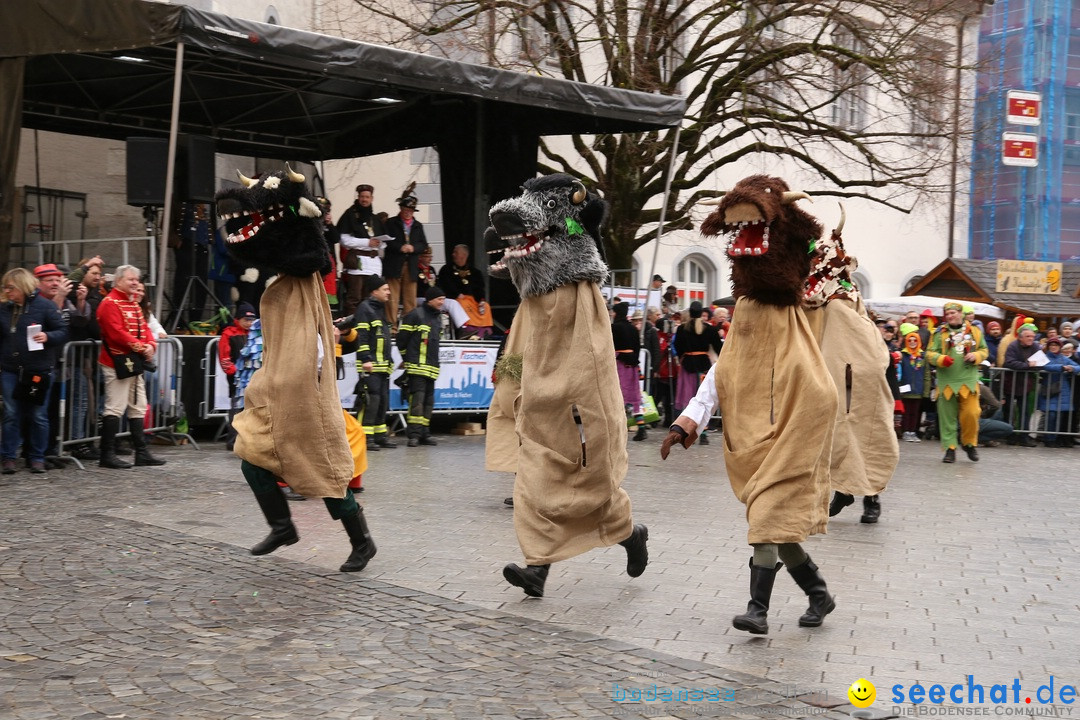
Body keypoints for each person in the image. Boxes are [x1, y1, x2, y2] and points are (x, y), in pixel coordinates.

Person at [95, 265, 166, 469]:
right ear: (118, 281)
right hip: (116, 361)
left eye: (136, 280)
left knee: (138, 406)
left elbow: (143, 328)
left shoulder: (133, 303)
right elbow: (115, 333)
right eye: (130, 280)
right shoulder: (109, 303)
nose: (135, 283)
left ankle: (141, 453)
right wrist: (142, 347)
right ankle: (106, 454)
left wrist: (150, 345)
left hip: (134, 362)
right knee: (115, 406)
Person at [1, 268, 68, 474]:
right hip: (9, 369)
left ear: (22, 286)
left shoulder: (45, 306)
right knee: (12, 413)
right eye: (5, 287)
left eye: (10, 287)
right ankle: (8, 456)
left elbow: (63, 331)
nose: (7, 291)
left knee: (38, 415)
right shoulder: (4, 308)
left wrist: (48, 337)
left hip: (38, 369)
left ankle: (37, 457)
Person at [925, 301, 989, 463]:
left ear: (961, 313)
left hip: (968, 381)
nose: (950, 316)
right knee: (947, 417)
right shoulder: (939, 333)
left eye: (953, 313)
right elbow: (929, 354)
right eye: (947, 314)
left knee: (972, 412)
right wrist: (941, 359)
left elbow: (984, 350)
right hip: (947, 381)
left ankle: (969, 443)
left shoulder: (974, 331)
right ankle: (950, 448)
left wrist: (976, 356)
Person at [397, 286, 445, 446]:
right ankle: (414, 435)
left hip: (431, 368)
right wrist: (406, 357)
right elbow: (401, 340)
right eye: (439, 299)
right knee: (417, 401)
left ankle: (425, 432)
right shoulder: (415, 315)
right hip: (416, 367)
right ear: (430, 299)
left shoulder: (437, 318)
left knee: (429, 401)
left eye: (444, 299)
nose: (442, 303)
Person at [354, 275, 396, 450]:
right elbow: (361, 336)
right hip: (370, 365)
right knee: (370, 401)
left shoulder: (379, 308)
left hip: (382, 366)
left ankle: (379, 435)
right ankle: (365, 437)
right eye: (385, 289)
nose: (389, 292)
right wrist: (365, 359)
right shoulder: (365, 309)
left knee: (382, 401)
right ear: (374, 291)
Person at [672, 301, 722, 444]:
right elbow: (719, 347)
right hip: (703, 367)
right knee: (703, 400)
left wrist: (684, 356)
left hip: (687, 365)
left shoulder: (682, 329)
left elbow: (677, 347)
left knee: (689, 400)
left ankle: (686, 432)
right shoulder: (710, 329)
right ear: (701, 313)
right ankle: (704, 433)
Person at [336, 184, 386, 316]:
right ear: (358, 197)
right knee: (354, 298)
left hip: (374, 264)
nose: (364, 199)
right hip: (357, 263)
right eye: (362, 197)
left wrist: (379, 243)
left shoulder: (374, 219)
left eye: (367, 197)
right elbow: (344, 240)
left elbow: (383, 244)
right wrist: (367, 242)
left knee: (370, 298)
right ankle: (351, 329)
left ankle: (368, 325)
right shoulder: (350, 215)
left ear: (372, 198)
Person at [383, 189, 429, 327]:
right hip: (394, 264)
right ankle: (392, 327)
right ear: (401, 208)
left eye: (411, 209)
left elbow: (424, 245)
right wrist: (400, 247)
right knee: (392, 298)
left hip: (411, 266)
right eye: (406, 209)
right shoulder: (391, 223)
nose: (408, 212)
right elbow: (386, 241)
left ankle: (409, 327)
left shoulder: (418, 226)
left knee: (410, 299)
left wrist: (413, 248)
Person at [219, 303, 257, 451]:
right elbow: (224, 358)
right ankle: (233, 439)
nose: (249, 323)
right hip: (237, 379)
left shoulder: (256, 334)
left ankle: (250, 439)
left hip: (254, 377)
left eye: (252, 320)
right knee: (236, 408)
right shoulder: (229, 334)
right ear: (238, 319)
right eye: (246, 320)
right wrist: (237, 372)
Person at [437, 243, 493, 338]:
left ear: (463, 255)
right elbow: (445, 285)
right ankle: (468, 330)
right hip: (457, 299)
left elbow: (479, 288)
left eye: (456, 252)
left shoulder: (475, 272)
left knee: (486, 306)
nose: (453, 254)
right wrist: (457, 294)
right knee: (462, 304)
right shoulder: (446, 269)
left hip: (473, 300)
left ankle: (484, 331)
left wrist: (481, 301)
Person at [611, 301, 647, 441]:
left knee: (617, 395)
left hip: (619, 363)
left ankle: (618, 429)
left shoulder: (614, 327)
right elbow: (637, 347)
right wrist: (635, 363)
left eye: (613, 312)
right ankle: (641, 427)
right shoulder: (633, 329)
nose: (612, 314)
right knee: (634, 396)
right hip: (631, 364)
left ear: (617, 313)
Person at [1002, 323, 1041, 446]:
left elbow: (1041, 363)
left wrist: (1029, 366)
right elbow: (1009, 362)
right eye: (1028, 336)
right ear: (1020, 337)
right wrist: (1027, 365)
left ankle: (1024, 436)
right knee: (1009, 411)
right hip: (1011, 384)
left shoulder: (1035, 346)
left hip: (1025, 385)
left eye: (1032, 336)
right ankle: (1010, 435)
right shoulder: (1013, 346)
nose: (1031, 339)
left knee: (1025, 411)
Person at [1036, 336, 1079, 446]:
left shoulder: (1063, 358)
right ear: (1048, 346)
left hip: (1062, 390)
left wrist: (1072, 368)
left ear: (1059, 347)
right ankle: (1049, 438)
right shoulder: (1044, 357)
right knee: (1051, 415)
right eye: (1051, 345)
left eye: (1056, 345)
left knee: (1059, 416)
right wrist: (1062, 368)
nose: (1053, 347)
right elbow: (1046, 366)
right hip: (1050, 390)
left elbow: (1078, 367)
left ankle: (1054, 438)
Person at [896, 322, 926, 442]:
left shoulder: (922, 356)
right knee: (906, 411)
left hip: (918, 388)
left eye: (915, 340)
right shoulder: (903, 355)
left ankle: (913, 431)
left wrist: (925, 389)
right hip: (905, 387)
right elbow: (899, 373)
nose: (912, 342)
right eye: (910, 340)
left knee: (915, 411)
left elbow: (926, 374)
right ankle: (905, 431)